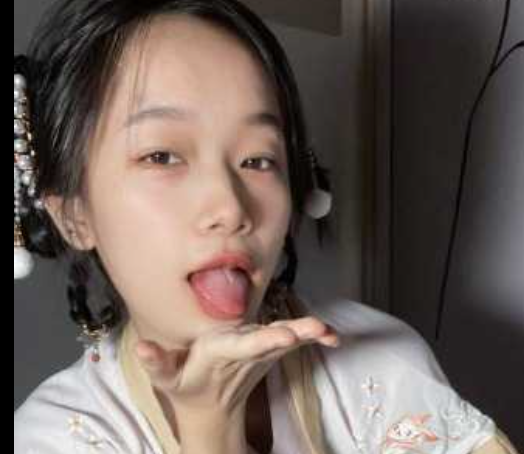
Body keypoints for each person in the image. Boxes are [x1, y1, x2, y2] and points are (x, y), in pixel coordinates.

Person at [13, 1, 519, 453]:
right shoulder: (55, 437)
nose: (230, 206)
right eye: (162, 156)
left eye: (258, 160)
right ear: (74, 216)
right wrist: (210, 431)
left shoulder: (379, 358)